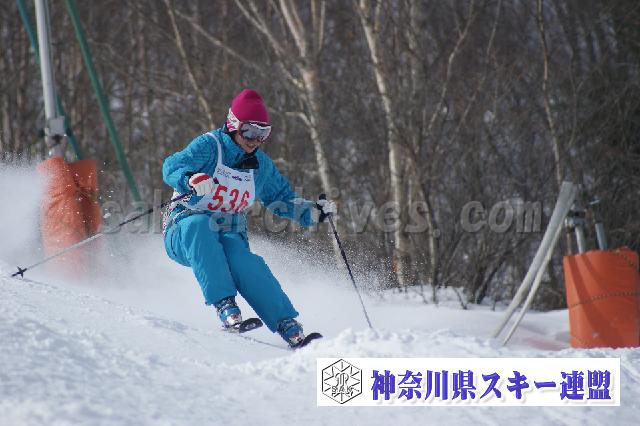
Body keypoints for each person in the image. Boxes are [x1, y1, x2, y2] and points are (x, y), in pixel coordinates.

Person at [162, 89, 336, 347]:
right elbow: (172, 166)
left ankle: (288, 326)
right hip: (183, 232)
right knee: (200, 226)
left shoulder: (260, 166)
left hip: (228, 233)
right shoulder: (210, 147)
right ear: (233, 125)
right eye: (250, 131)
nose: (255, 140)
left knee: (243, 260)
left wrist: (314, 212)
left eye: (263, 133)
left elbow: (282, 198)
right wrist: (191, 179)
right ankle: (225, 306)